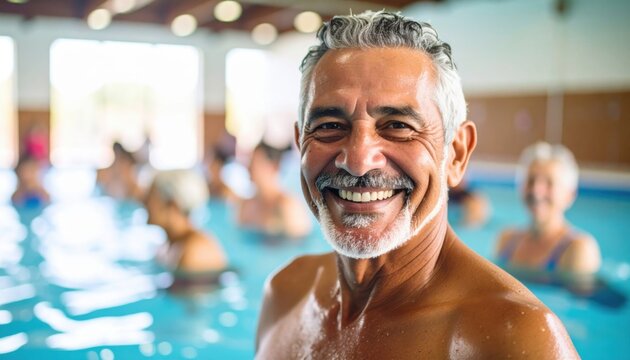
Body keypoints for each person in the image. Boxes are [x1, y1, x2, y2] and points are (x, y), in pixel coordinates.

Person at [256, 11, 578, 359]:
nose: (359, 160)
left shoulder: (512, 337)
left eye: (397, 125)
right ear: (299, 143)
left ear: (456, 154)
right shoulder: (285, 292)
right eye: (330, 125)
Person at [495, 142, 601, 276]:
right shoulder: (506, 240)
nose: (536, 191)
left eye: (549, 183)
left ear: (570, 195)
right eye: (531, 180)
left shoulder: (578, 249)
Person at [145, 170, 228, 289]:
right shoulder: (169, 244)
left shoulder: (196, 251)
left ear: (172, 204)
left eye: (150, 197)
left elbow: (193, 305)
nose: (143, 201)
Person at [237, 142, 312, 239]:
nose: (248, 167)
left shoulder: (289, 207)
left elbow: (301, 244)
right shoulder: (246, 206)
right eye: (249, 162)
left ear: (274, 167)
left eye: (254, 162)